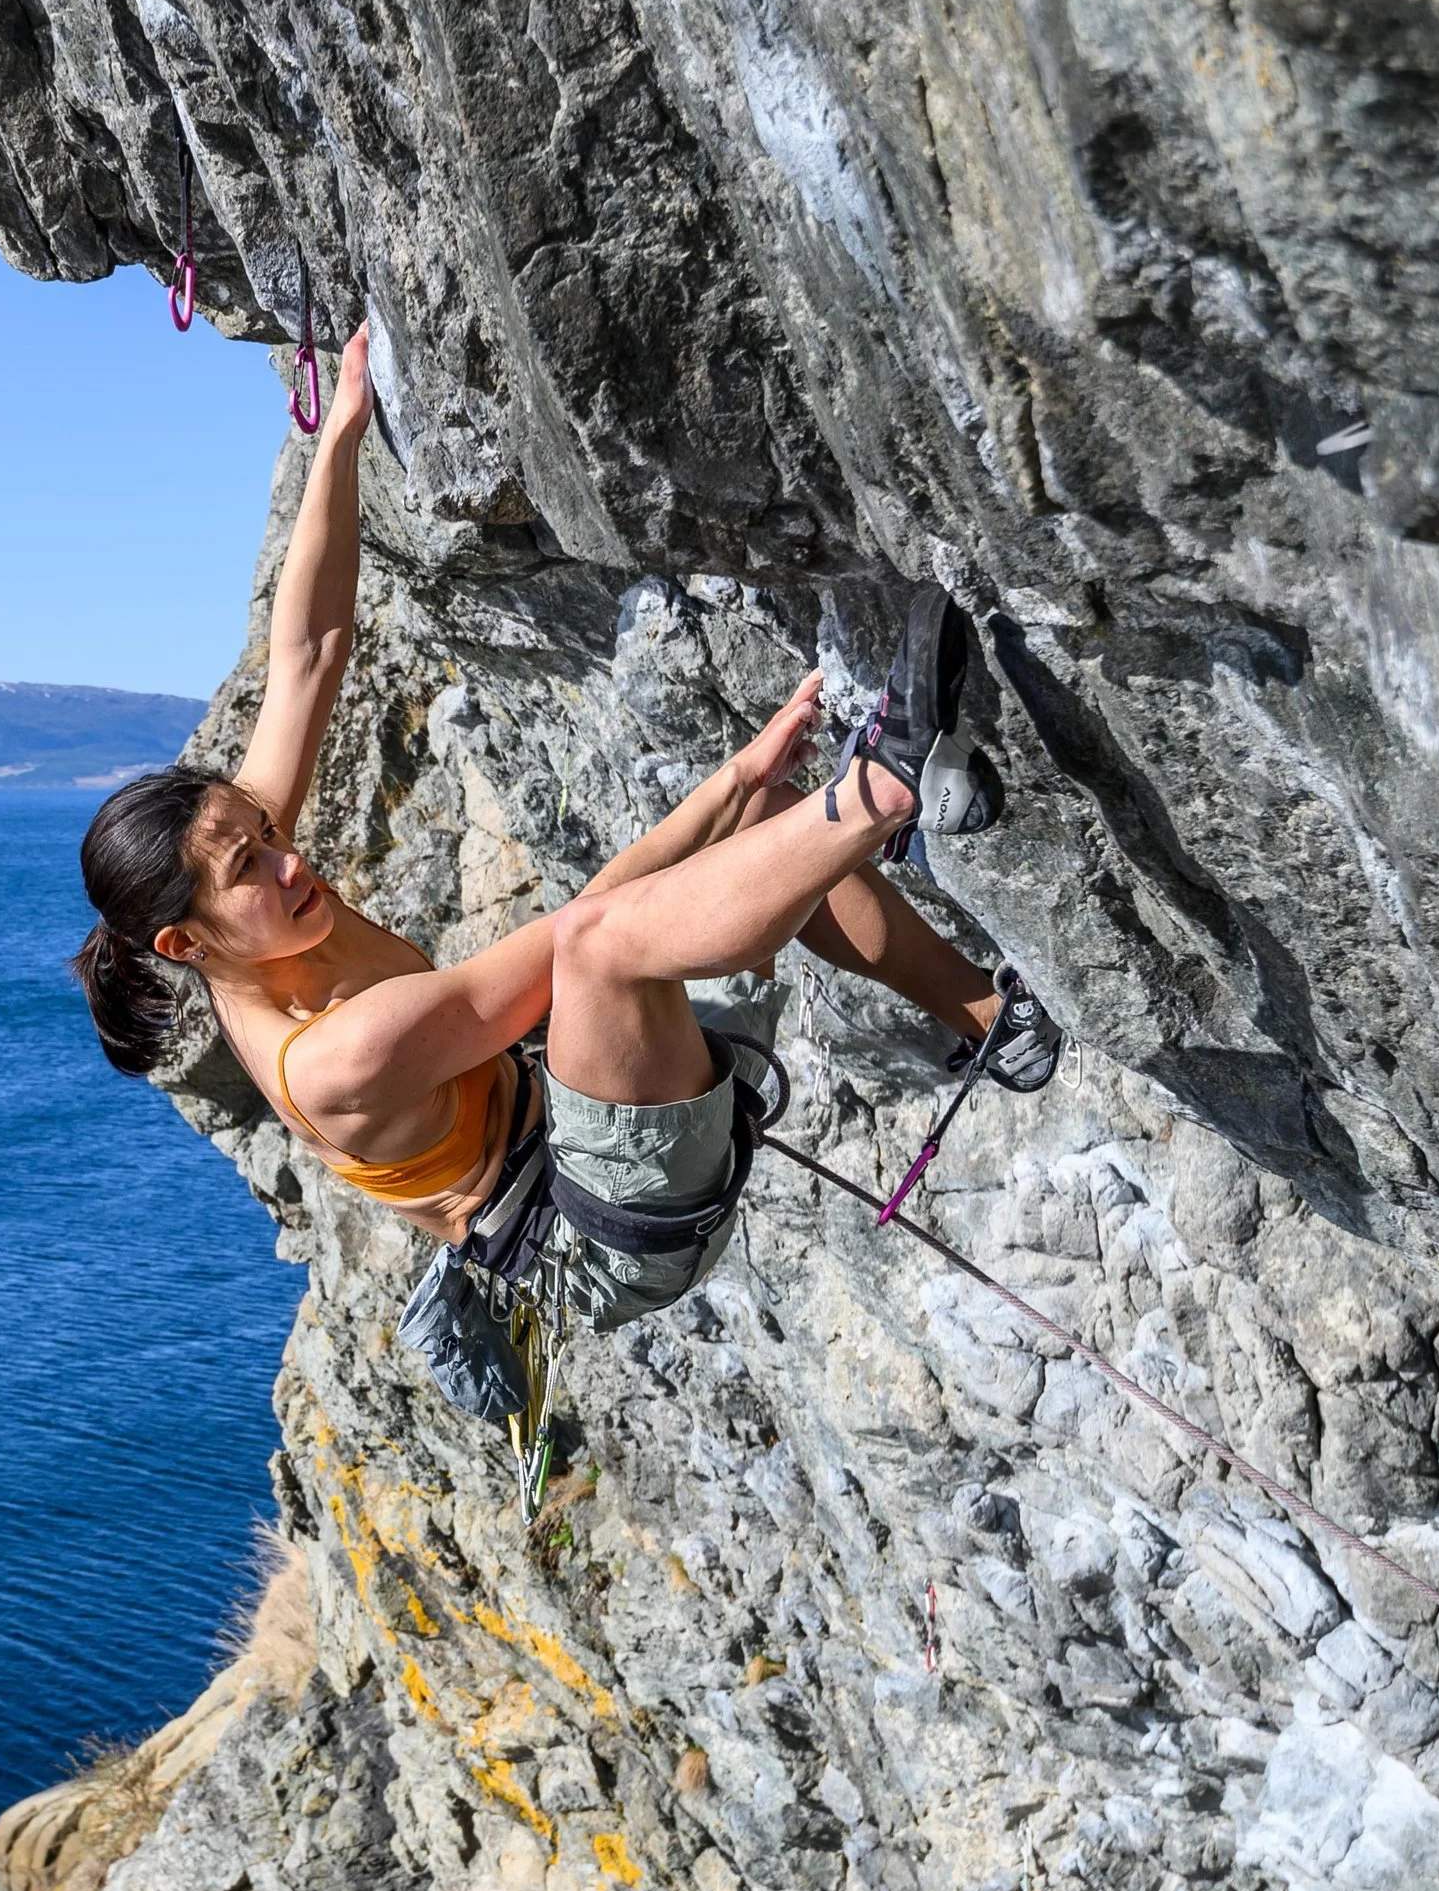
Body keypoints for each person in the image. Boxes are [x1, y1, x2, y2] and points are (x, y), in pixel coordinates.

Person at [72, 327, 1061, 1396]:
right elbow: (585, 933)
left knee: (770, 821)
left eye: (264, 832)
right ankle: (893, 786)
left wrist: (342, 430)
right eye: (247, 865)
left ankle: (986, 1019)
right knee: (610, 937)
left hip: (595, 1119)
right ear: (185, 941)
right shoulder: (330, 1062)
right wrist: (719, 787)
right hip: (603, 1236)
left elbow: (307, 652)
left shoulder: (254, 904)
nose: (286, 857)